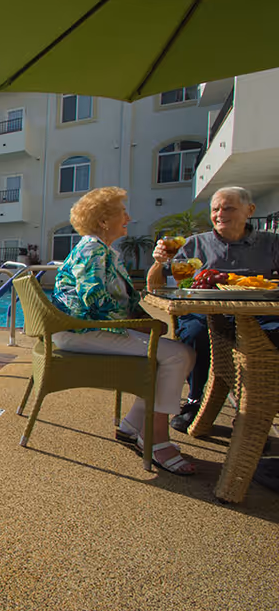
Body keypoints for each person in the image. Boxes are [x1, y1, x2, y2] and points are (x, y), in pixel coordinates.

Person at [53, 187, 196, 475]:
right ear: (104, 221)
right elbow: (93, 299)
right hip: (79, 330)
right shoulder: (91, 249)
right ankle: (154, 437)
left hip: (93, 328)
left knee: (172, 353)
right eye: (122, 213)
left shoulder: (107, 252)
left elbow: (127, 302)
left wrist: (147, 323)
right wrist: (139, 325)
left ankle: (132, 425)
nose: (128, 218)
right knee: (178, 355)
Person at [148, 186, 279, 432]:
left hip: (260, 314)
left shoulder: (271, 243)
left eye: (228, 208)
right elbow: (155, 285)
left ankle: (259, 406)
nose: (220, 214)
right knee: (195, 334)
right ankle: (195, 399)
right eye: (215, 209)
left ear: (249, 211)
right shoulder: (194, 245)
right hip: (206, 314)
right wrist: (158, 262)